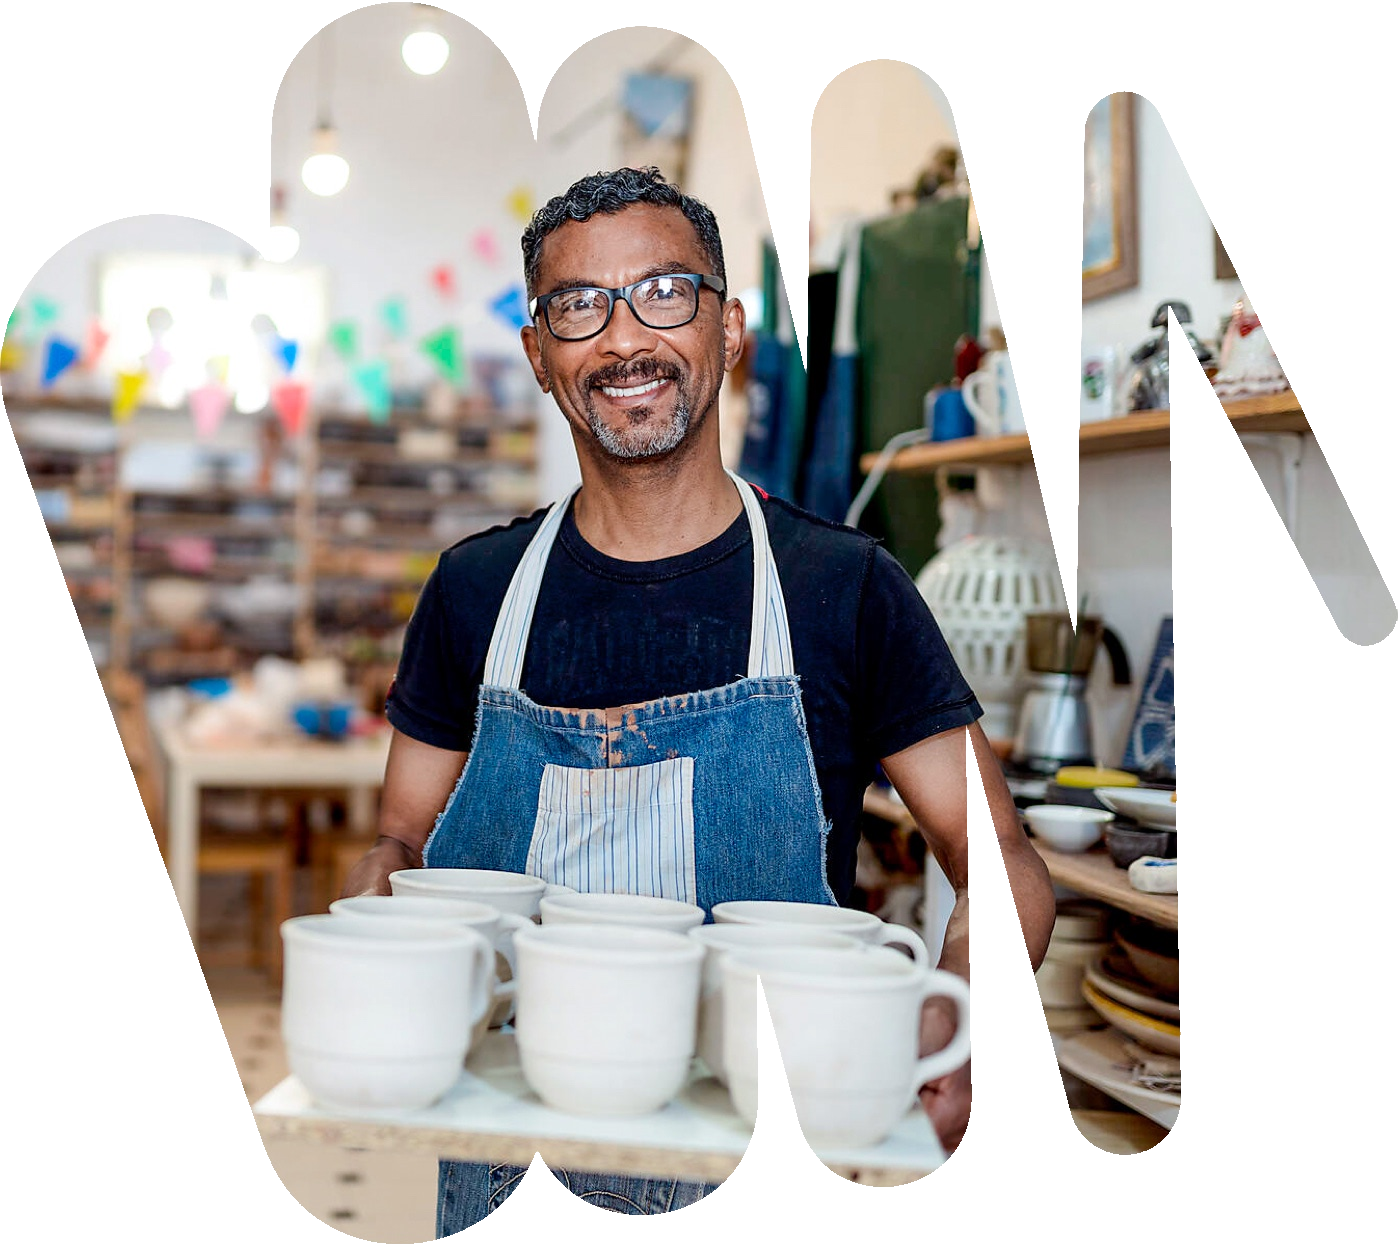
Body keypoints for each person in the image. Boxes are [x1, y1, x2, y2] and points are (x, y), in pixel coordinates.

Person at [340, 165, 1056, 1229]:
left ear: (730, 331)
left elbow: (996, 853)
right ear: (539, 356)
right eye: (579, 305)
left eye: (667, 292)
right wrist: (368, 933)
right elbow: (400, 839)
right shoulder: (474, 590)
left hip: (777, 1130)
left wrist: (967, 1014)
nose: (626, 337)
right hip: (503, 1155)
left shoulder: (844, 589)